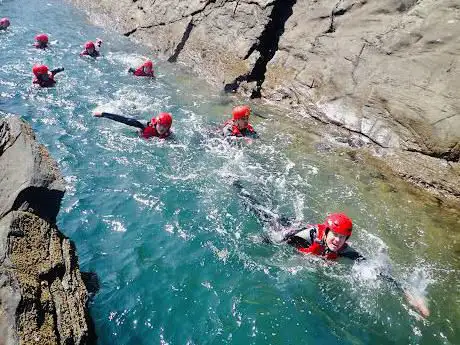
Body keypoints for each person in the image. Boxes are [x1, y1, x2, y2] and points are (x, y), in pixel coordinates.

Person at [233, 181, 430, 317]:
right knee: (256, 208)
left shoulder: (345, 250)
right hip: (284, 227)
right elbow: (280, 238)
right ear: (326, 232)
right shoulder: (309, 235)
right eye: (334, 235)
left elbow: (375, 270)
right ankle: (237, 186)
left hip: (300, 238)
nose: (337, 240)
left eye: (342, 237)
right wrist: (254, 240)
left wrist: (406, 292)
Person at [93, 111, 172, 139]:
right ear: (156, 123)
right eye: (160, 125)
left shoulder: (169, 134)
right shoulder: (145, 125)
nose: (162, 129)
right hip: (137, 132)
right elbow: (124, 120)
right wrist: (103, 114)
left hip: (147, 138)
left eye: (165, 126)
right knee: (130, 118)